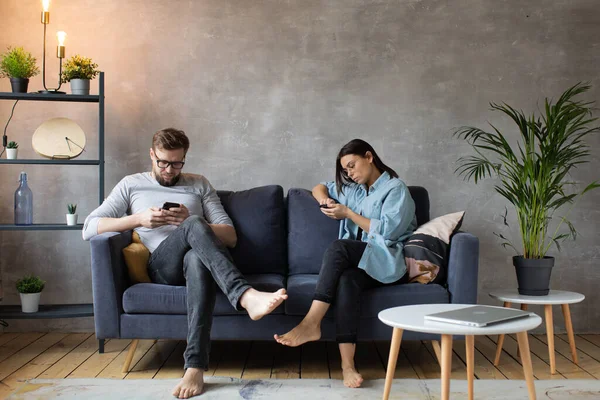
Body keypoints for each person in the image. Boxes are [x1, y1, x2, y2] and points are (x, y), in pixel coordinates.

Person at [83, 128, 287, 399]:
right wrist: (138, 220)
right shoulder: (131, 184)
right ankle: (245, 295)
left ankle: (194, 367)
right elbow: (89, 226)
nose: (169, 170)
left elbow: (231, 237)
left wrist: (191, 222)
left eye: (177, 163)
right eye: (163, 162)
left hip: (199, 265)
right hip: (162, 267)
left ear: (184, 158)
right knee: (193, 226)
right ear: (152, 155)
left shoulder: (199, 184)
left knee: (195, 253)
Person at [274, 139, 416, 388]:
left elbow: (389, 232)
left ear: (369, 157)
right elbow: (321, 187)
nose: (350, 173)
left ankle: (311, 322)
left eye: (352, 165)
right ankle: (347, 366)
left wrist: (348, 214)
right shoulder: (355, 190)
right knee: (347, 280)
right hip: (359, 266)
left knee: (340, 247)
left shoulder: (396, 189)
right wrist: (324, 202)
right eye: (346, 170)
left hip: (386, 260)